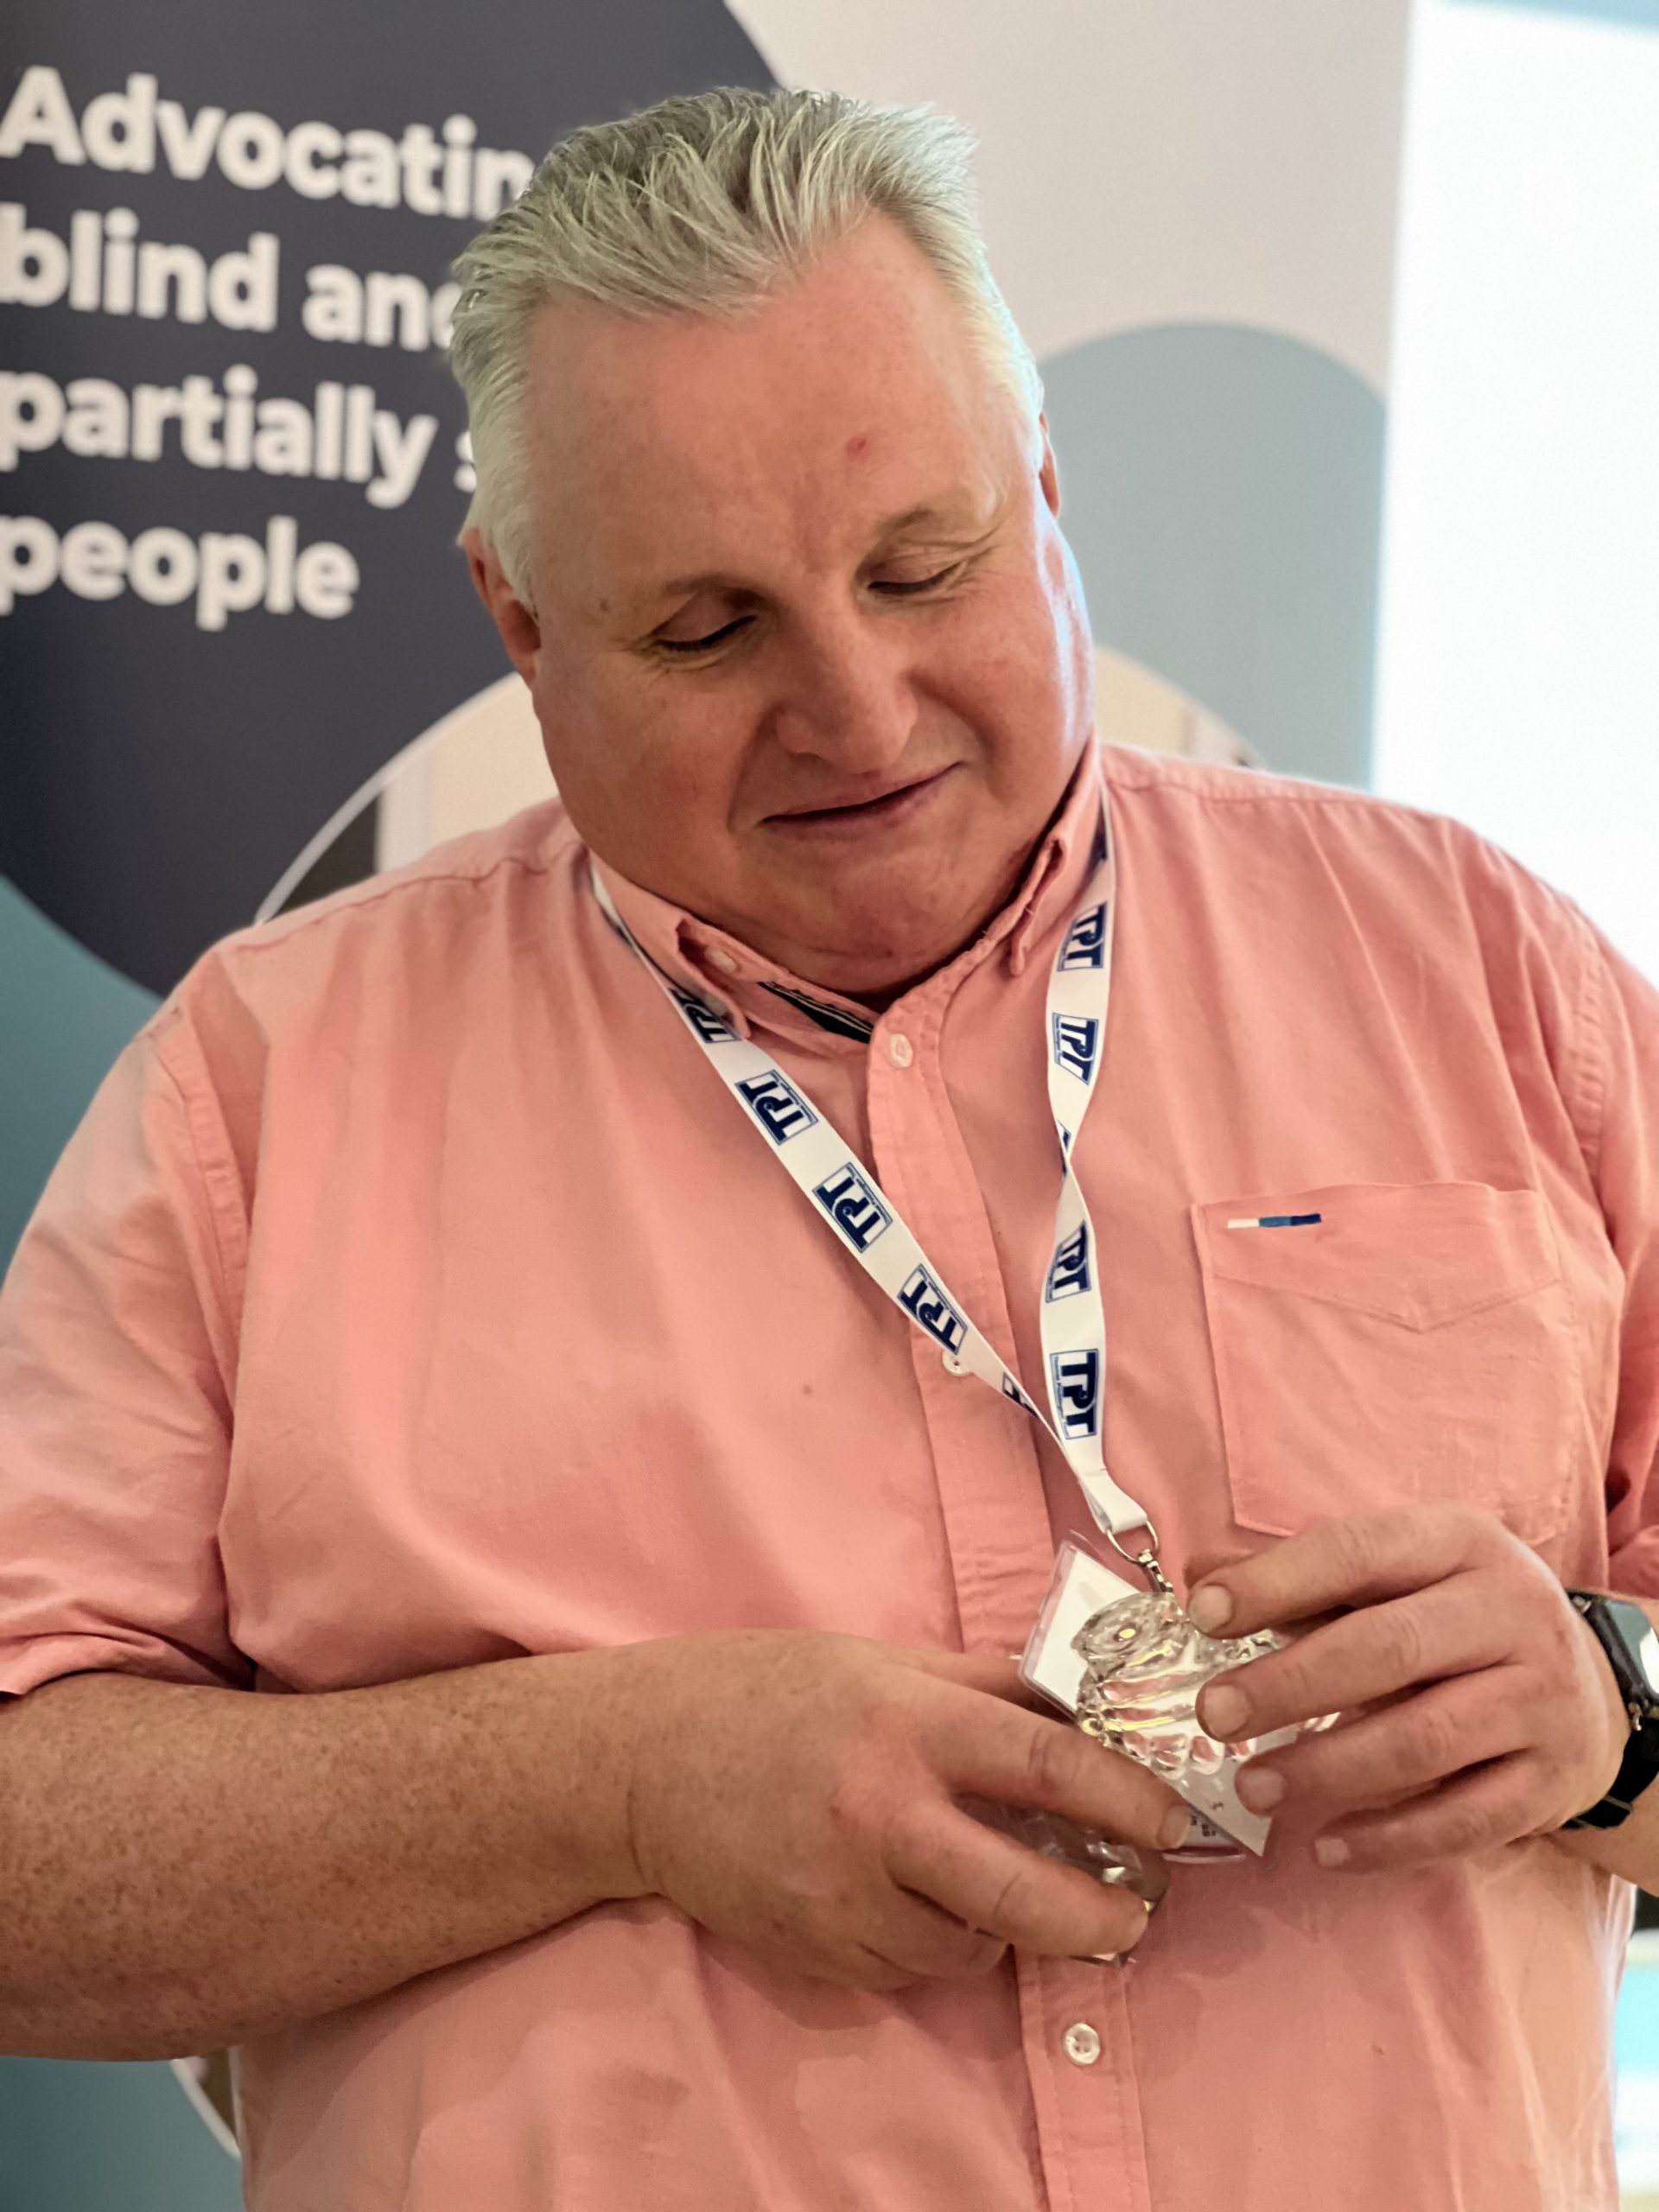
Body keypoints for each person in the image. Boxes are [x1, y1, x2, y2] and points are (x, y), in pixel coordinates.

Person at [0, 85, 1656, 2212]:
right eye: (708, 629)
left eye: (923, 564)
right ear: (518, 618)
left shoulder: (1488, 972)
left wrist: (1615, 1708)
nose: (859, 711)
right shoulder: (264, 1087)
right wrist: (614, 1780)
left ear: (1049, 492)